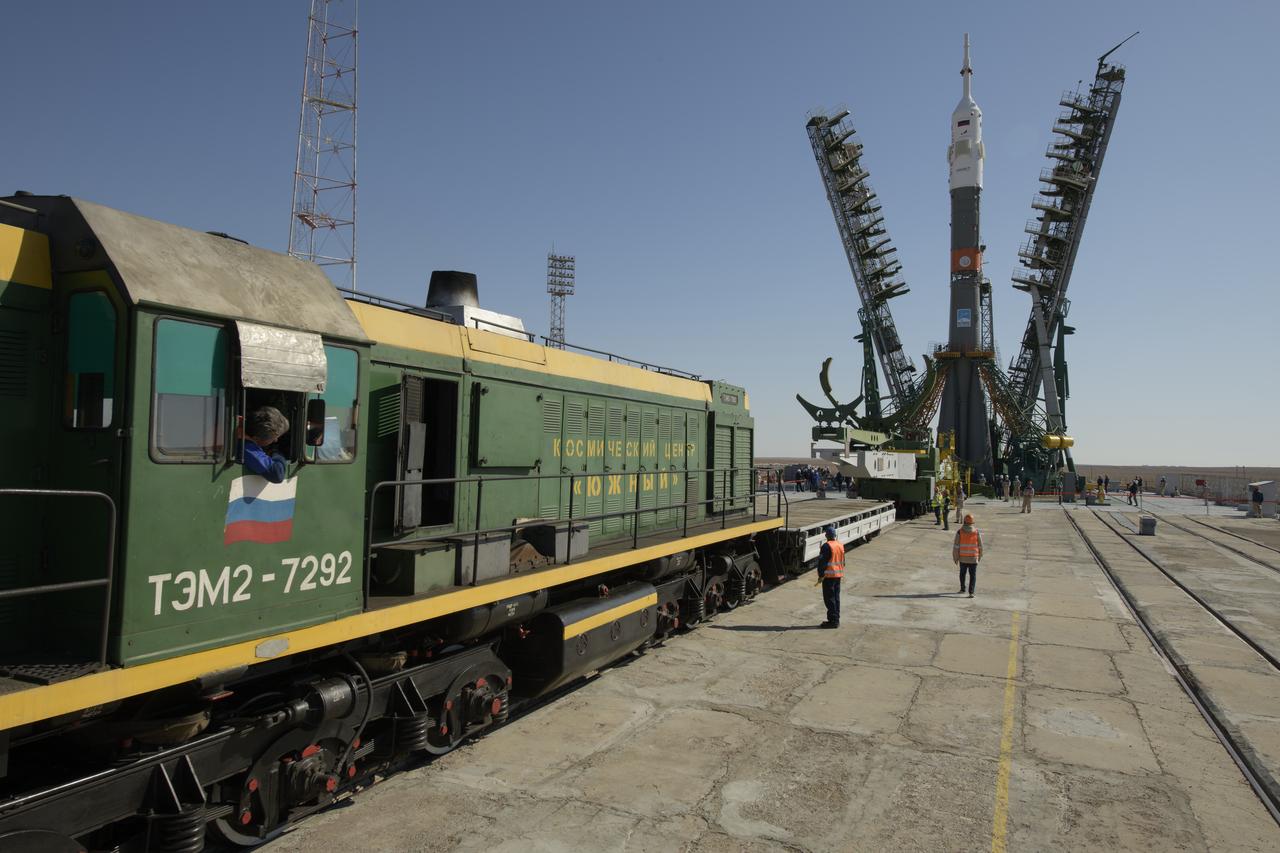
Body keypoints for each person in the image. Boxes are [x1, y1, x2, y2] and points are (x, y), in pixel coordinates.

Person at [242, 406, 289, 484]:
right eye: (273, 438)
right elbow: (277, 474)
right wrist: (276, 452)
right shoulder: (247, 449)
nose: (275, 440)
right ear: (257, 438)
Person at [816, 525, 844, 628]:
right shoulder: (840, 545)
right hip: (838, 575)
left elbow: (822, 563)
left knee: (829, 598)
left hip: (829, 577)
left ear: (826, 535)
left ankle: (833, 621)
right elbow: (843, 561)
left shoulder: (826, 546)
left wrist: (820, 575)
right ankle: (836, 618)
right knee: (836, 598)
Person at [953, 513, 983, 598]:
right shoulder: (976, 532)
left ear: (964, 522)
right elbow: (980, 545)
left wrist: (955, 558)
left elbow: (956, 546)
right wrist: (980, 555)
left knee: (962, 574)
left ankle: (962, 589)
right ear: (972, 523)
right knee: (973, 575)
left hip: (963, 558)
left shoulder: (960, 532)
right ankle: (971, 592)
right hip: (973, 558)